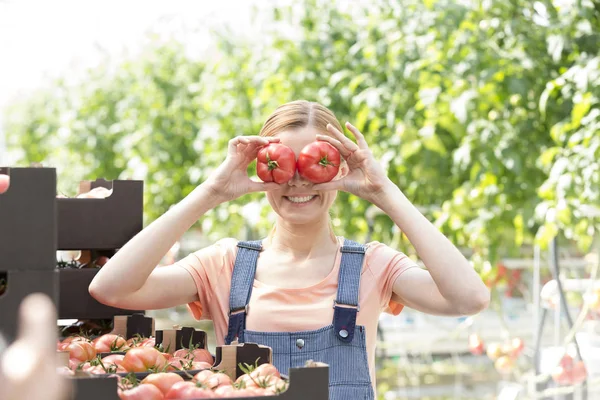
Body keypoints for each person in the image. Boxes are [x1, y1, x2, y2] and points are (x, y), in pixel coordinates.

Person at [89, 100, 490, 399]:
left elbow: (469, 297)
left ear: (340, 170)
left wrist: (385, 192)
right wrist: (210, 192)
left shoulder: (373, 265)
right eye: (281, 164)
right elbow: (112, 289)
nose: (298, 181)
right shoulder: (225, 264)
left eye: (317, 163)